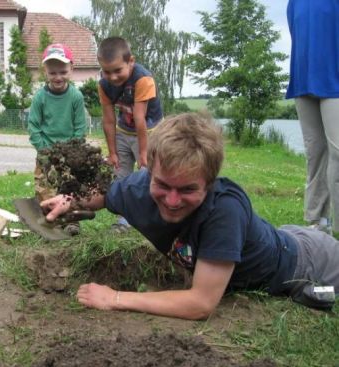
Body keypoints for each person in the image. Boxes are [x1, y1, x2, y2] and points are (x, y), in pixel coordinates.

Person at [42, 113, 339, 320]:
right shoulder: (139, 188)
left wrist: (115, 298)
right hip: (275, 238)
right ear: (150, 173)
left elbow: (201, 303)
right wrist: (68, 201)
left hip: (310, 262)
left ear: (209, 184)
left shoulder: (224, 211)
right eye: (162, 185)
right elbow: (104, 195)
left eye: (187, 189)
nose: (172, 201)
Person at [97, 36, 163, 233]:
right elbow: (108, 120)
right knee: (121, 177)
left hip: (149, 131)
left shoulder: (143, 79)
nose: (113, 77)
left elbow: (140, 119)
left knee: (147, 176)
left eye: (118, 70)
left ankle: (151, 220)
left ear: (131, 61)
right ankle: (123, 221)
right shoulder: (103, 85)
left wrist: (143, 152)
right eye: (107, 71)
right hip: (123, 130)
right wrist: (112, 152)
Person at [286, 0, 339, 235]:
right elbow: (294, 31)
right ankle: (318, 220)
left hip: (335, 81)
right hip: (304, 78)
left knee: (338, 151)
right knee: (315, 152)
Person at [28, 43, 87, 235]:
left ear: (72, 68)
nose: (58, 77)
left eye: (62, 71)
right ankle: (49, 220)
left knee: (70, 187)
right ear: (45, 71)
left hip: (69, 153)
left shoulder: (76, 97)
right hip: (46, 152)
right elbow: (34, 127)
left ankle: (72, 221)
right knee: (44, 187)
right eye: (52, 73)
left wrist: (72, 151)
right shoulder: (40, 98)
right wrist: (44, 150)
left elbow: (80, 127)